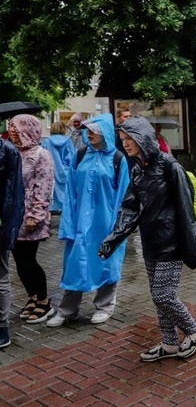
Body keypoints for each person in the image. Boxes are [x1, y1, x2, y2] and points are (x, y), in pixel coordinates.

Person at [98, 115, 196, 362]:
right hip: (150, 243)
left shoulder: (170, 166)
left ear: (143, 137)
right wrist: (112, 240)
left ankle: (194, 331)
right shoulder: (137, 169)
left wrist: (190, 248)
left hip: (172, 244)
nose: (125, 143)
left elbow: (186, 209)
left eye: (130, 138)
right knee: (159, 299)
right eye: (122, 139)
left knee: (163, 295)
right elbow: (130, 209)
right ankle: (169, 344)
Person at [47, 114, 130, 327]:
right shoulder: (80, 155)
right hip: (79, 223)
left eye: (94, 130)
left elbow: (124, 196)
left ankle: (105, 306)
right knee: (74, 263)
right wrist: (68, 224)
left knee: (106, 263)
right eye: (88, 130)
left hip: (106, 223)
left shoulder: (118, 159)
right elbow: (71, 193)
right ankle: (67, 309)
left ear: (106, 132)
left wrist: (118, 228)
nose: (89, 133)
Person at [7, 115, 55, 324]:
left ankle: (44, 302)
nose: (14, 137)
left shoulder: (41, 155)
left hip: (29, 216)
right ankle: (32, 297)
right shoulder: (15, 153)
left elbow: (44, 187)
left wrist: (35, 214)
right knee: (18, 260)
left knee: (29, 260)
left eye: (17, 133)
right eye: (12, 134)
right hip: (13, 214)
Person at [0, 139, 25, 348]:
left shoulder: (7, 150)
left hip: (0, 223)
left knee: (0, 277)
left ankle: (1, 327)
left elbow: (15, 192)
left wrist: (10, 229)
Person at [41, 121, 74, 214]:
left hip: (49, 172)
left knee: (50, 195)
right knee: (65, 198)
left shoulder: (46, 141)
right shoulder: (68, 141)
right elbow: (72, 158)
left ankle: (49, 217)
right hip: (64, 173)